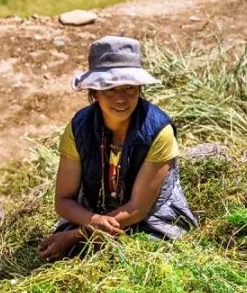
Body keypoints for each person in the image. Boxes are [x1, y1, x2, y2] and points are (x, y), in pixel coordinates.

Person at [37, 35, 198, 261]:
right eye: (110, 89)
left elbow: (137, 208)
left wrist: (77, 235)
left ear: (140, 89)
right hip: (92, 211)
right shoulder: (78, 129)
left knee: (141, 258)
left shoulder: (159, 132)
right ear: (94, 92)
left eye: (129, 88)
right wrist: (92, 221)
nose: (121, 98)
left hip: (151, 219)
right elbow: (63, 200)